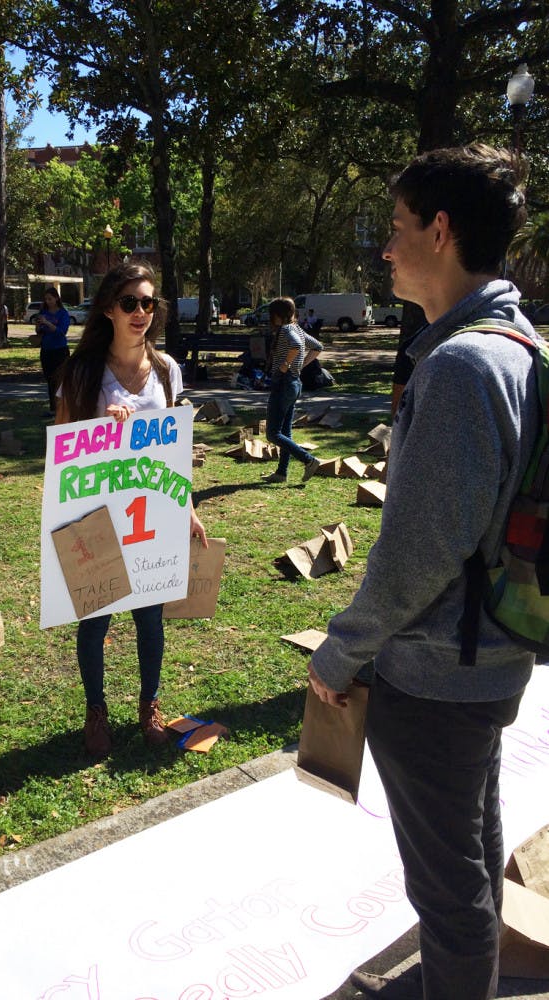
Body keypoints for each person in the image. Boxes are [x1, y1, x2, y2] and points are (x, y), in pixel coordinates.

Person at [308, 145, 538, 1000]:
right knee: (471, 865)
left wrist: (341, 651)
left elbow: (418, 551)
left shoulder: (462, 365)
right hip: (488, 656)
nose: (386, 249)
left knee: (446, 897)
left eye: (398, 229)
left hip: (437, 674)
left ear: (440, 231)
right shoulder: (518, 346)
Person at [56, 260, 208, 757]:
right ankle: (95, 711)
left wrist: (186, 506)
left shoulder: (166, 370)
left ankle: (150, 706)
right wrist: (105, 429)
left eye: (148, 302)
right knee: (95, 618)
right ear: (108, 310)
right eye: (130, 303)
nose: (141, 312)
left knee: (149, 617)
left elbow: (176, 449)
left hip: (153, 510)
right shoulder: (82, 374)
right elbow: (62, 454)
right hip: (99, 512)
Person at [262, 296, 322, 484]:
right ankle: (281, 473)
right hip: (294, 383)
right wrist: (300, 365)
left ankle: (308, 460)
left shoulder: (287, 329)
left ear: (277, 315)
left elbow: (296, 345)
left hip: (284, 383)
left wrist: (285, 365)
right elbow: (318, 347)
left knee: (272, 433)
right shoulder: (297, 328)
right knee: (285, 432)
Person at [35, 286, 70, 417]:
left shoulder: (63, 313)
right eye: (46, 299)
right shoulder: (43, 312)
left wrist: (48, 323)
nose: (48, 301)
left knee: (61, 380)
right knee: (50, 380)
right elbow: (39, 332)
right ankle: (53, 408)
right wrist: (38, 326)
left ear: (56, 298)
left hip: (60, 351)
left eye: (50, 298)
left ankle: (64, 408)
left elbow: (62, 332)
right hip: (46, 350)